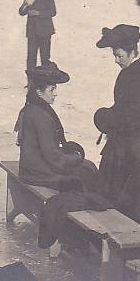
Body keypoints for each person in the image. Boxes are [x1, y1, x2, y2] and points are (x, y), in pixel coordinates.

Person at [94, 24, 140, 235]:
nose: (116, 60)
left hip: (137, 141)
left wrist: (106, 117)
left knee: (138, 185)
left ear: (132, 51)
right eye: (114, 55)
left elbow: (136, 114)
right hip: (129, 138)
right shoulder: (130, 72)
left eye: (119, 55)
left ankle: (136, 232)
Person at [13, 62, 98, 191]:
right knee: (87, 171)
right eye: (51, 89)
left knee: (87, 167)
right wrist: (76, 157)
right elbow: (54, 159)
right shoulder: (41, 117)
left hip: (30, 168)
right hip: (38, 174)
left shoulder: (30, 108)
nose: (55, 93)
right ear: (39, 92)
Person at [18, 0, 56, 70]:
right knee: (31, 58)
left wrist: (38, 13)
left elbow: (53, 12)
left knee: (45, 58)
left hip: (45, 31)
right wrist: (26, 4)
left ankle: (47, 83)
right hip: (32, 32)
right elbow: (21, 12)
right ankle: (31, 84)